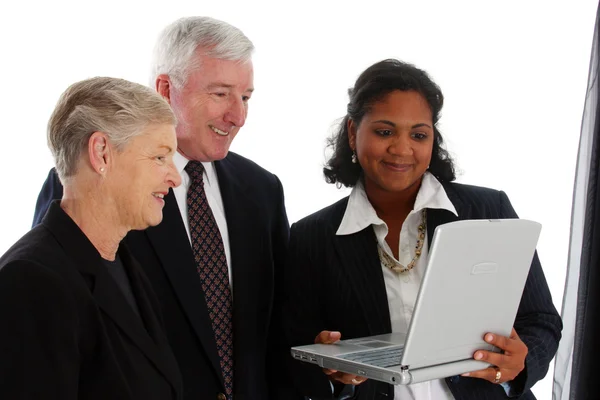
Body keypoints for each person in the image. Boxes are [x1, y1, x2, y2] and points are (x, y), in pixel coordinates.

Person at [32, 17, 291, 400]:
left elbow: (275, 330)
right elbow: (57, 320)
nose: (238, 115)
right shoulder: (91, 181)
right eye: (221, 94)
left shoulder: (262, 190)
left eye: (246, 96)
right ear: (166, 89)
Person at [279, 59, 562, 400]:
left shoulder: (488, 210)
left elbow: (541, 319)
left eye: (418, 134)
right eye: (384, 132)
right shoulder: (313, 236)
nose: (402, 149)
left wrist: (520, 361)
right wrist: (331, 375)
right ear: (354, 133)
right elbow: (294, 354)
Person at [0, 77, 182, 399]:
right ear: (101, 154)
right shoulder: (30, 281)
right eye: (159, 157)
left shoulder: (126, 265)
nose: (175, 177)